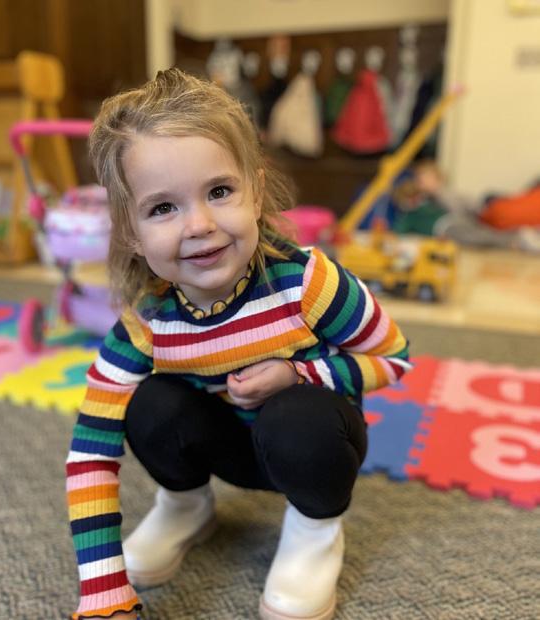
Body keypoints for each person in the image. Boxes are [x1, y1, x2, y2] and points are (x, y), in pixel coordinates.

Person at [66, 68, 411, 620]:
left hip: (309, 445)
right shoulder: (146, 322)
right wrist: (104, 596)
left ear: (256, 193)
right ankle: (185, 506)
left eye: (219, 191)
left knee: (298, 418)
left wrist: (299, 374)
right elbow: (90, 451)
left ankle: (315, 532)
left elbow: (395, 358)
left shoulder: (309, 283)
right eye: (163, 208)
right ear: (130, 232)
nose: (200, 224)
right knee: (148, 403)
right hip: (228, 446)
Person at [392, 159, 540, 252]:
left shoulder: (445, 194)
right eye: (419, 180)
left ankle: (516, 239)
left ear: (438, 179)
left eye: (425, 179)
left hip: (471, 216)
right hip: (460, 222)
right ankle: (516, 238)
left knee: (480, 235)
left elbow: (465, 209)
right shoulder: (426, 199)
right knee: (478, 237)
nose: (421, 184)